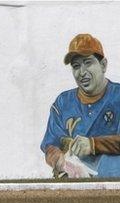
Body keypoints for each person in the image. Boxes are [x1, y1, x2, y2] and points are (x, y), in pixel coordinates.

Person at [41, 33, 120, 178]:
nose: (82, 72)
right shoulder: (63, 102)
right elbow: (50, 145)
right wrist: (58, 160)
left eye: (88, 63)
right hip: (75, 184)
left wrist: (93, 144)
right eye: (76, 66)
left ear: (103, 65)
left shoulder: (118, 96)